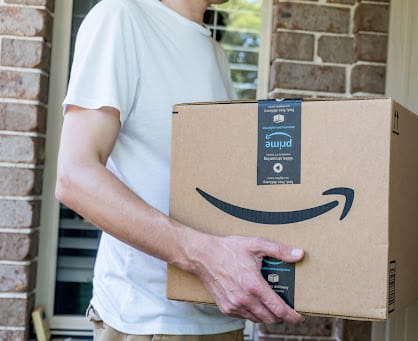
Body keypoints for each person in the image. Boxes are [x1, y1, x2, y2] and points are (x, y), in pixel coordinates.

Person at [55, 0, 305, 339]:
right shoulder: (121, 18)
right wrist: (206, 257)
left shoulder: (214, 52)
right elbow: (75, 178)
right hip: (149, 321)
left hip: (220, 314)